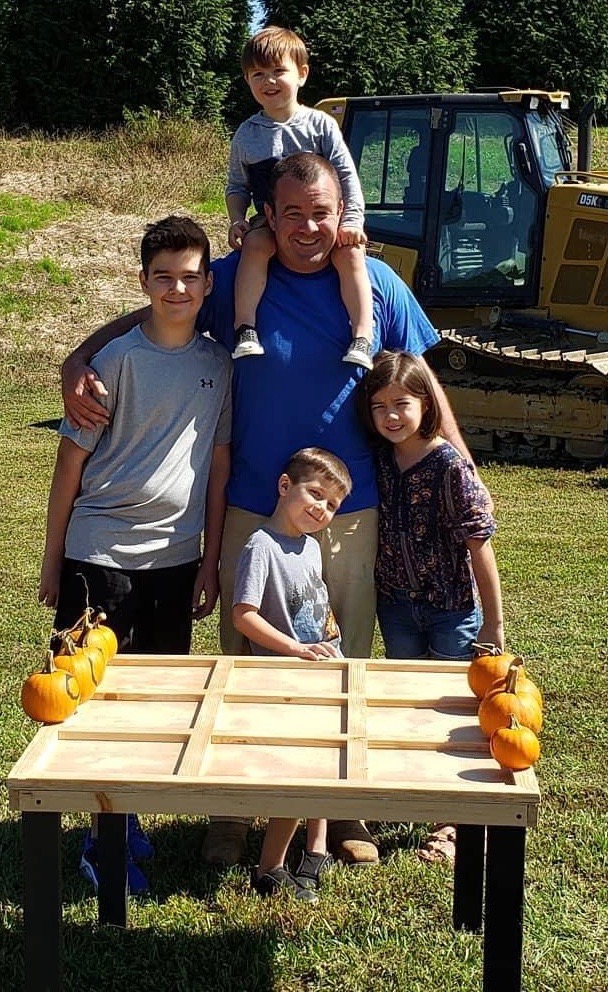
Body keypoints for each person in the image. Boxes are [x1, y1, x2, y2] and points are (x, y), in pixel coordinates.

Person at [61, 152, 481, 869]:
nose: (308, 228)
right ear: (268, 217)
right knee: (246, 661)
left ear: (338, 212)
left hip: (352, 513)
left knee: (342, 659)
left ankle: (340, 804)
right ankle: (233, 809)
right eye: (292, 213)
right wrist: (77, 362)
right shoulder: (231, 283)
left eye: (320, 212)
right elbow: (151, 310)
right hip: (252, 507)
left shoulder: (375, 282)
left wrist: (461, 462)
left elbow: (421, 377)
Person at [40, 215, 232, 892]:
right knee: (93, 699)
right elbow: (70, 465)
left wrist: (208, 560)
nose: (176, 288)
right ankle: (100, 841)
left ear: (208, 284)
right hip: (101, 556)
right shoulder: (112, 362)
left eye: (189, 277)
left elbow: (216, 464)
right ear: (142, 282)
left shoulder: (218, 364)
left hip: (177, 562)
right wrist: (53, 557)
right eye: (163, 277)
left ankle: (126, 819)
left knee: (153, 699)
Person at [360, 350, 503, 864]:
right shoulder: (379, 459)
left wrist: (493, 620)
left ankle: (452, 822)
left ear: (426, 402)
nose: (392, 416)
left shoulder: (448, 464)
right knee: (407, 706)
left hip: (450, 608)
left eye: (402, 403)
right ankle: (408, 795)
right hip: (396, 606)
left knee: (454, 713)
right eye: (379, 407)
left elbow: (478, 544)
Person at [233, 447, 351, 903]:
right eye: (315, 494)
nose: (321, 509)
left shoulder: (310, 545)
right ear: (286, 487)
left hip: (322, 669)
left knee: (324, 761)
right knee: (300, 769)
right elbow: (244, 616)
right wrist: (295, 650)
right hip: (288, 676)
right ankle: (270, 866)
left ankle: (316, 846)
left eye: (331, 505)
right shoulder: (261, 546)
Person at [226, 25, 374, 370]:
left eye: (279, 71)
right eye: (258, 74)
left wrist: (351, 221)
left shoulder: (320, 125)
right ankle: (245, 328)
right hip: (271, 220)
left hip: (322, 221)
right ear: (248, 81)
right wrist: (237, 220)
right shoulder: (247, 134)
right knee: (256, 246)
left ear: (302, 74)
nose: (269, 81)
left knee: (351, 253)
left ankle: (363, 335)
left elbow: (346, 177)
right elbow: (237, 187)